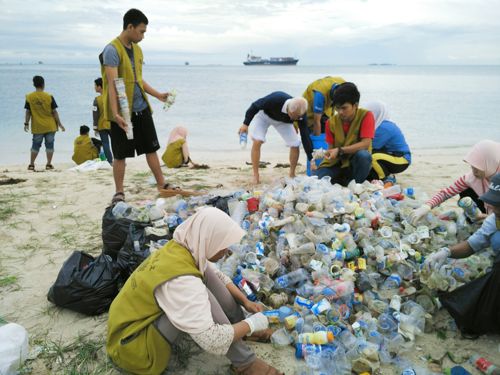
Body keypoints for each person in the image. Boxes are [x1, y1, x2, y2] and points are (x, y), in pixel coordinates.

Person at [106, 207, 283, 375]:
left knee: (207, 274)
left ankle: (238, 324)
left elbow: (218, 276)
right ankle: (246, 364)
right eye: (222, 244)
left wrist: (245, 302)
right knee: (202, 294)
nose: (226, 251)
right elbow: (213, 340)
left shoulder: (182, 247)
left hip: (135, 324)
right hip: (133, 347)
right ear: (208, 239)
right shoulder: (182, 280)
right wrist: (252, 324)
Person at [100, 8, 175, 204]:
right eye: (141, 31)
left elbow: (138, 80)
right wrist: (116, 114)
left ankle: (162, 184)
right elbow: (113, 84)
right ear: (130, 27)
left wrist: (158, 95)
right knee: (120, 154)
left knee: (151, 149)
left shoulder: (138, 49)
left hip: (141, 109)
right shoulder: (111, 50)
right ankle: (119, 192)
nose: (142, 36)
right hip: (121, 113)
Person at [424, 173, 500, 336]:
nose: (494, 209)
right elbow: (473, 244)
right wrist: (446, 252)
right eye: (494, 203)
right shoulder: (495, 219)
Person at [409, 140, 500, 225]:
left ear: (490, 162)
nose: (474, 171)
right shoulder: (473, 177)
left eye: (478, 167)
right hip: (487, 213)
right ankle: (477, 220)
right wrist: (427, 206)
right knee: (466, 190)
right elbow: (447, 193)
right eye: (472, 166)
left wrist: (491, 219)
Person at [238, 92, 307, 184]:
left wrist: (311, 157)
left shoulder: (300, 113)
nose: (296, 119)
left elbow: (305, 135)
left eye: (298, 118)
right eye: (295, 117)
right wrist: (245, 124)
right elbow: (254, 106)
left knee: (295, 143)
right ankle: (256, 175)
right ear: (290, 111)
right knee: (257, 140)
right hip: (264, 116)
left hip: (283, 122)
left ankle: (292, 174)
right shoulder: (275, 99)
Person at [314, 82, 374, 185]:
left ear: (355, 105)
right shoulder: (330, 122)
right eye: (337, 108)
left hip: (355, 163)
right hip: (337, 163)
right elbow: (331, 149)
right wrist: (324, 155)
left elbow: (365, 144)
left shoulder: (366, 116)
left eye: (344, 108)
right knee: (320, 179)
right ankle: (344, 182)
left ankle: (355, 184)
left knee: (364, 156)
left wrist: (340, 150)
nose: (340, 112)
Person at [298, 76, 345, 163]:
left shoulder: (344, 86)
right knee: (309, 139)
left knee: (332, 132)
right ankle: (312, 161)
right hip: (307, 110)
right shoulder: (320, 95)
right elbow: (317, 121)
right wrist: (317, 143)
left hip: (326, 109)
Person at [24, 75, 65, 171]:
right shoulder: (49, 96)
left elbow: (28, 112)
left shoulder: (29, 97)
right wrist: (60, 124)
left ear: (34, 85)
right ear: (43, 84)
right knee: (50, 145)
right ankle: (49, 164)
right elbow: (54, 112)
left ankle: (31, 164)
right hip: (50, 126)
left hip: (37, 126)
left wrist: (26, 123)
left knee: (35, 145)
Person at [363, 101, 411, 181]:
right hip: (390, 155)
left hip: (401, 159)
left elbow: (370, 146)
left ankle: (385, 178)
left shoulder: (384, 127)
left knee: (372, 157)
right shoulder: (379, 124)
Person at [92, 77, 113, 164]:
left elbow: (95, 115)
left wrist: (95, 127)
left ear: (100, 87)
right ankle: (119, 159)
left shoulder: (97, 100)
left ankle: (110, 161)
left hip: (101, 125)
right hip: (112, 123)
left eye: (95, 86)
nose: (94, 87)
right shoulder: (111, 96)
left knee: (105, 143)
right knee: (115, 143)